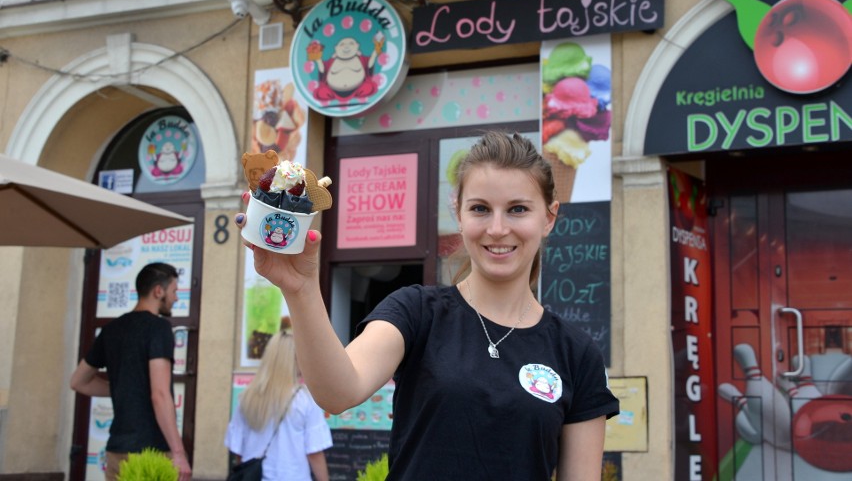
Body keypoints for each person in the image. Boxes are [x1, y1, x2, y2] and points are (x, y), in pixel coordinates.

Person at [235, 130, 619, 480]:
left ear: (549, 217)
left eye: (518, 209)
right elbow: (338, 392)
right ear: (458, 212)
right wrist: (301, 289)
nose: (498, 228)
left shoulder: (575, 353)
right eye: (480, 208)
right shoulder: (417, 311)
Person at [70, 262, 191, 481]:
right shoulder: (159, 328)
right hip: (150, 455)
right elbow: (160, 395)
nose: (176, 298)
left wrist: (123, 387)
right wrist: (179, 453)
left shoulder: (111, 330)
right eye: (174, 291)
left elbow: (78, 381)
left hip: (116, 452)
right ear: (158, 291)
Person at [225, 330, 332, 480]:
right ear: (294, 359)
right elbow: (314, 453)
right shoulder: (305, 400)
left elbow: (238, 450)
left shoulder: (247, 397)